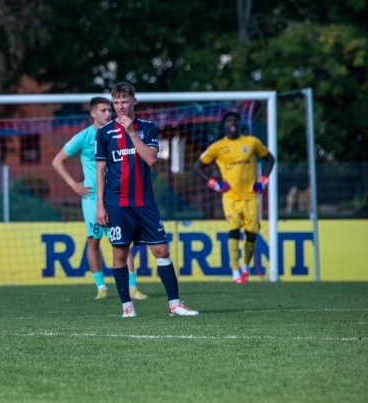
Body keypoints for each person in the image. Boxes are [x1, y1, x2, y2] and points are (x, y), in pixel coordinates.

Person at [95, 82, 198, 318]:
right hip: (116, 202)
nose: (120, 107)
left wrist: (131, 133)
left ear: (134, 102)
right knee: (120, 253)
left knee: (161, 250)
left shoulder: (148, 128)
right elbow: (100, 171)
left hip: (144, 202)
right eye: (116, 102)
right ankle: (127, 307)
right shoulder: (104, 133)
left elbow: (151, 159)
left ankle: (174, 304)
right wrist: (99, 205)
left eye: (124, 101)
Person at [52, 97, 148, 301]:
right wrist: (73, 185)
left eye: (109, 110)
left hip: (116, 196)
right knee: (93, 241)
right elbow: (57, 160)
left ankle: (132, 287)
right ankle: (101, 286)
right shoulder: (84, 136)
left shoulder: (118, 132)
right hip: (92, 198)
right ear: (93, 113)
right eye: (103, 110)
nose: (108, 113)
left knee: (122, 242)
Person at [193, 112, 276, 284]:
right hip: (230, 198)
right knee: (234, 231)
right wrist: (215, 184)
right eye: (229, 121)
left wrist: (263, 181)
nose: (233, 123)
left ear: (239, 124)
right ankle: (235, 270)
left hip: (251, 198)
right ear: (224, 125)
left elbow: (270, 159)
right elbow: (198, 166)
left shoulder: (251, 142)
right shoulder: (217, 147)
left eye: (235, 120)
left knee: (252, 235)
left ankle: (246, 266)